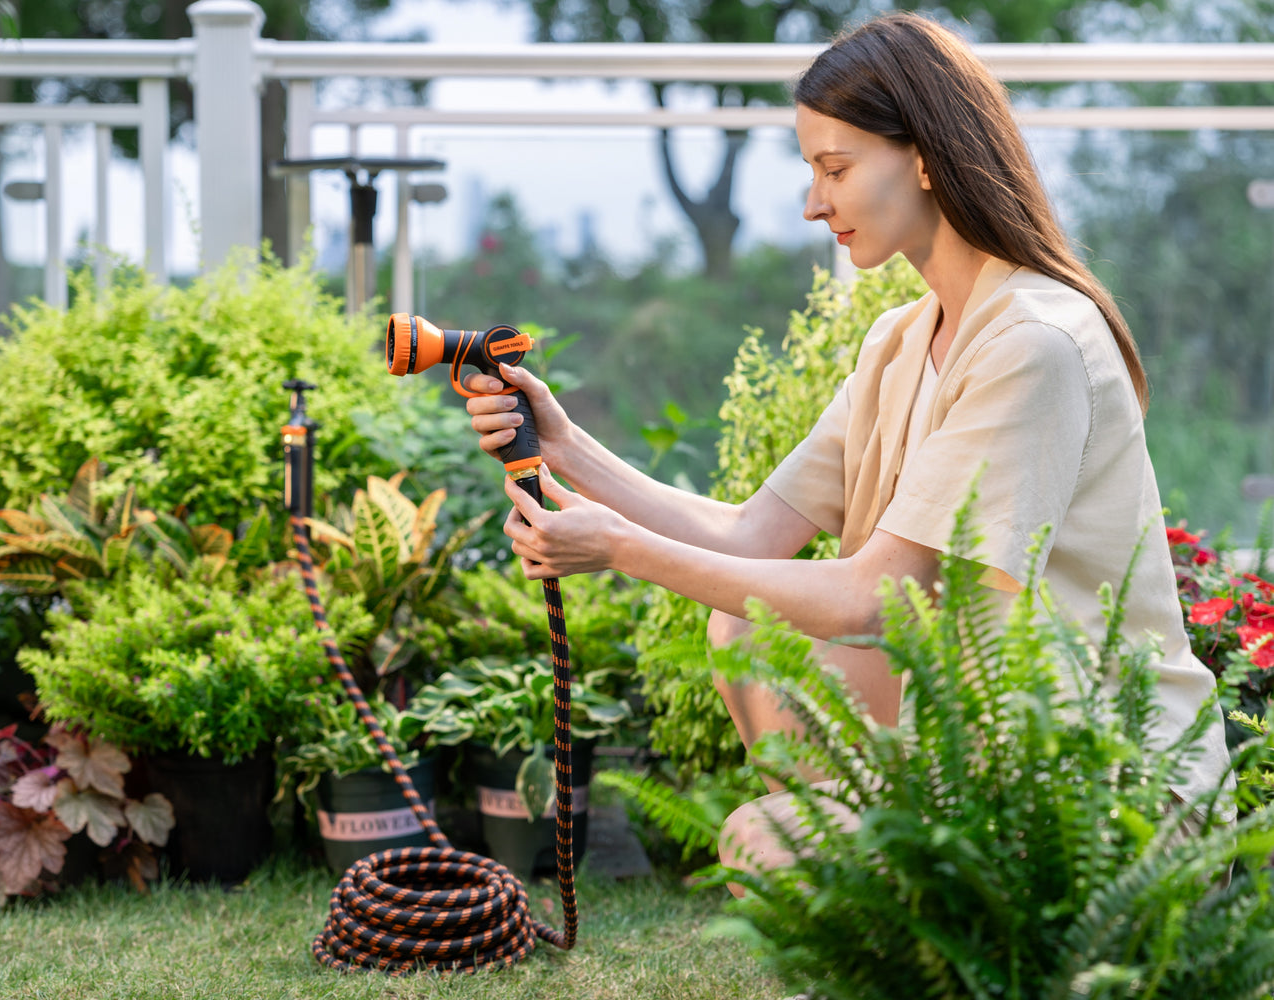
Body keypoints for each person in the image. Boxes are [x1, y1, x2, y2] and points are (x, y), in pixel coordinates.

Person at [461, 11, 1231, 877]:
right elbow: (750, 537)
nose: (812, 202)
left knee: (766, 833)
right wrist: (568, 449)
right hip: (981, 740)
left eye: (837, 167)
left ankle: (881, 892)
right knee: (744, 634)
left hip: (1098, 781)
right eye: (810, 170)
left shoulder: (1034, 343)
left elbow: (874, 598)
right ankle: (880, 884)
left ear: (929, 156)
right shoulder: (900, 342)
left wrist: (618, 550)